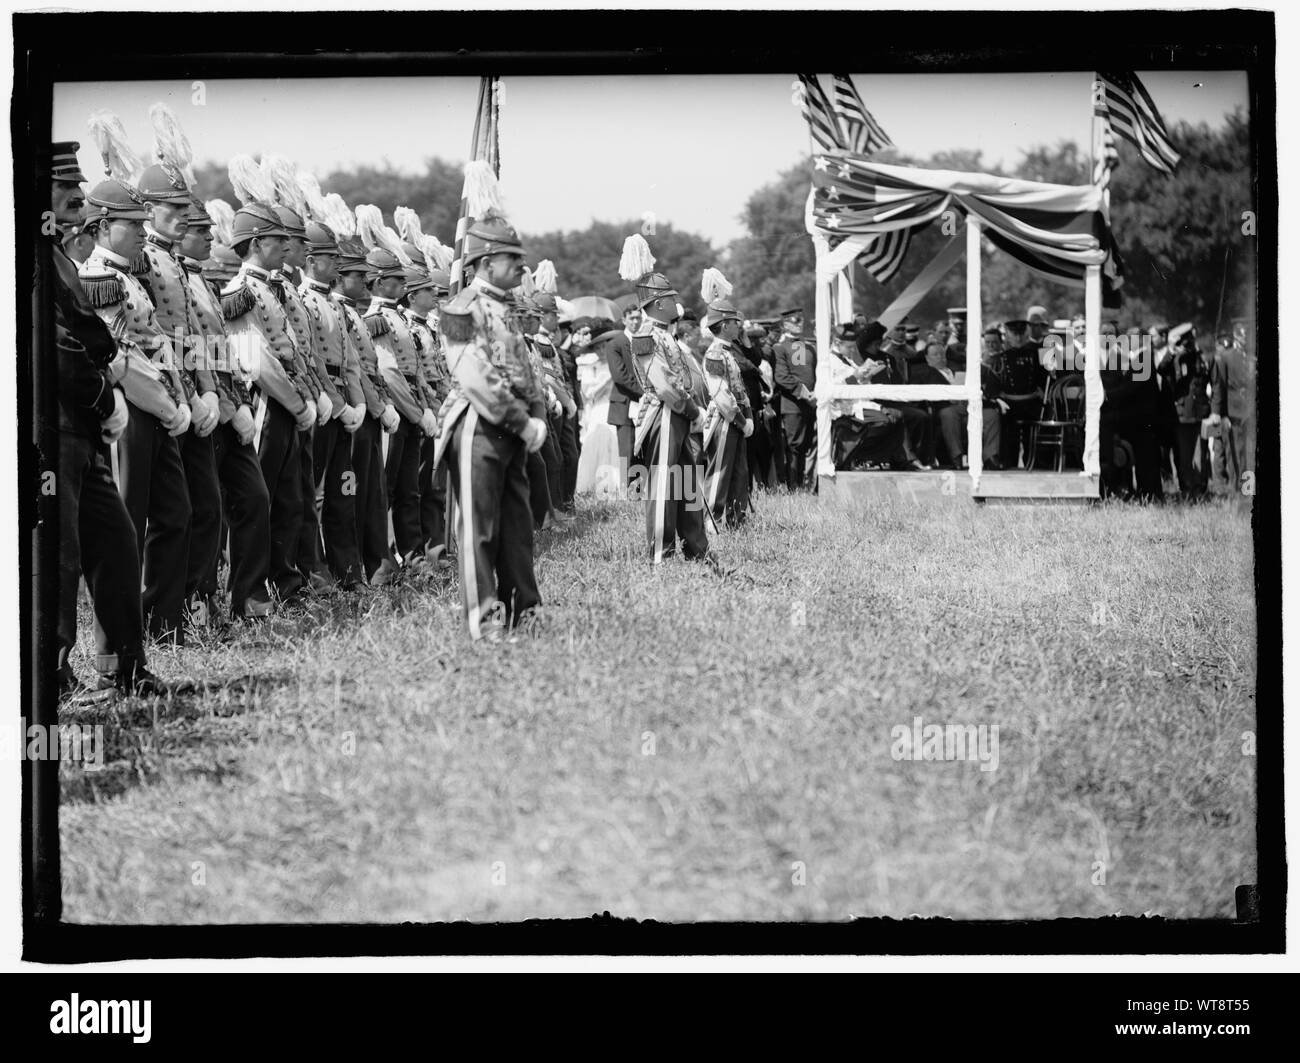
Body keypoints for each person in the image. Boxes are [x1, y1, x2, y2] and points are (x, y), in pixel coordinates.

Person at [46, 143, 173, 697]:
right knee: (59, 560)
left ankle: (126, 669)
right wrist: (106, 396)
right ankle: (48, 680)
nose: (77, 196)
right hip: (54, 430)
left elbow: (87, 330)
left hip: (82, 429)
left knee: (117, 543)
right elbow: (54, 344)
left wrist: (105, 387)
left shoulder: (52, 256)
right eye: (63, 188)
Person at [80, 177, 194, 643]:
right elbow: (121, 360)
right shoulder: (100, 280)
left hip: (157, 411)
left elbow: (157, 346)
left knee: (176, 513)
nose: (144, 230)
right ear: (104, 227)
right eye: (132, 223)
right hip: (129, 413)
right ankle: (124, 630)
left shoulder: (128, 277)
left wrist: (177, 400)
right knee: (127, 523)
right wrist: (168, 406)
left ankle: (162, 623)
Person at [433, 209, 548, 640]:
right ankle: (487, 622)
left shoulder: (508, 309)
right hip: (479, 427)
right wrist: (524, 421)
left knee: (517, 529)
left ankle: (526, 614)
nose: (522, 266)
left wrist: (536, 414)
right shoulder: (459, 309)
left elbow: (524, 370)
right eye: (511, 257)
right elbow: (475, 377)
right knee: (480, 532)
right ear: (484, 264)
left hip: (513, 431)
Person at [136, 161, 225, 631]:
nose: (184, 215)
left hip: (192, 393)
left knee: (206, 508)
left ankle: (193, 605)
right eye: (173, 207)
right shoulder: (143, 259)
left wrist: (208, 393)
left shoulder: (176, 262)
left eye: (184, 206)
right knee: (169, 515)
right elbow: (149, 337)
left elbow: (195, 339)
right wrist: (180, 398)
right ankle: (160, 617)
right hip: (163, 397)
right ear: (148, 209)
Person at [180, 197, 275, 618]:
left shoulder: (201, 283)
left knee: (254, 498)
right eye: (198, 230)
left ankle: (249, 595)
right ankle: (200, 599)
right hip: (200, 406)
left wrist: (237, 402)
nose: (208, 237)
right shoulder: (175, 281)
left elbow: (227, 354)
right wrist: (213, 398)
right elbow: (187, 350)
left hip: (228, 405)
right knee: (205, 511)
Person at [221, 199, 318, 606]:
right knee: (257, 502)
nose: (287, 246)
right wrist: (296, 404)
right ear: (258, 242)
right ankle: (250, 594)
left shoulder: (269, 287)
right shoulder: (241, 292)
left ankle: (284, 584)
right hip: (265, 402)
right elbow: (256, 360)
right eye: (279, 238)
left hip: (284, 404)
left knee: (289, 499)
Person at [620, 236, 710, 563]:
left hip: (678, 414)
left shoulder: (662, 334)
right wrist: (691, 408)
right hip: (665, 414)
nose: (676, 302)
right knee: (663, 486)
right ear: (658, 303)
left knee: (686, 482)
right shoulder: (646, 337)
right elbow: (665, 385)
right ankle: (661, 552)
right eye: (671, 298)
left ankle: (696, 548)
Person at [272, 204, 340, 593]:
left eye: (293, 240)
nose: (290, 247)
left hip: (307, 397)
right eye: (287, 240)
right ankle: (281, 579)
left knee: (301, 495)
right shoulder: (271, 290)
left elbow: (307, 352)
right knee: (280, 498)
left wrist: (317, 395)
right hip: (278, 400)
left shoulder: (289, 291)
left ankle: (304, 573)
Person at [298, 218, 366, 587]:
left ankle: (347, 569)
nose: (337, 264)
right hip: (323, 404)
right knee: (312, 493)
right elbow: (312, 358)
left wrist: (357, 404)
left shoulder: (334, 305)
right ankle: (315, 569)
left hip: (344, 409)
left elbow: (351, 361)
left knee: (345, 488)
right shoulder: (304, 301)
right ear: (310, 259)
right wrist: (338, 404)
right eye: (330, 257)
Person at [332, 239, 401, 584]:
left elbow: (368, 369)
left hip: (368, 413)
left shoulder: (353, 314)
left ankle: (378, 566)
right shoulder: (339, 312)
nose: (365, 280)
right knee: (351, 494)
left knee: (372, 494)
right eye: (358, 275)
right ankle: (355, 568)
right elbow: (354, 369)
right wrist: (373, 405)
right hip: (354, 413)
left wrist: (381, 405)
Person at [366, 247, 437, 568]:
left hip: (411, 409)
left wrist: (426, 407)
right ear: (380, 283)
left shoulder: (397, 317)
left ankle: (413, 555)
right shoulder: (377, 319)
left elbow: (416, 372)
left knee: (411, 490)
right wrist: (417, 412)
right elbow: (390, 373)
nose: (401, 285)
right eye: (395, 280)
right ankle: (389, 554)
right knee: (388, 489)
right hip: (395, 410)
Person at [404, 265, 454, 560]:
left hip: (438, 406)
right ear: (412, 296)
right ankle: (412, 552)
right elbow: (417, 375)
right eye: (427, 289)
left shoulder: (427, 327)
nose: (435, 294)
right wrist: (430, 408)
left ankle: (436, 548)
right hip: (424, 409)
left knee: (433, 486)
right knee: (415, 487)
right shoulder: (410, 328)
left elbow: (440, 372)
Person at [700, 297, 754, 527]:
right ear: (723, 325)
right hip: (724, 420)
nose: (738, 325)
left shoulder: (728, 352)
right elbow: (721, 394)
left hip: (736, 419)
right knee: (720, 473)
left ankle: (736, 521)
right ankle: (712, 523)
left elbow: (740, 389)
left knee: (739, 473)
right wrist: (742, 421)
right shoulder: (714, 354)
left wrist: (748, 415)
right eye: (734, 321)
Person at [826, 322, 910, 469]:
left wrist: (867, 374)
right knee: (884, 421)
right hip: (844, 408)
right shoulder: (828, 362)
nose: (852, 351)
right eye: (849, 347)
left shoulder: (849, 360)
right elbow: (834, 387)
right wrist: (856, 376)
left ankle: (882, 459)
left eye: (853, 347)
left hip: (862, 403)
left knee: (897, 418)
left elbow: (858, 383)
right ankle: (862, 456)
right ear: (837, 343)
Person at [573, 318, 625, 498]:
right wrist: (607, 379)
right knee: (597, 444)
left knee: (615, 446)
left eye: (605, 346)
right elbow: (589, 393)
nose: (602, 351)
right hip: (598, 409)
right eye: (598, 348)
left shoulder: (617, 364)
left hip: (614, 407)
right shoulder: (590, 367)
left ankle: (615, 485)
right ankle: (594, 485)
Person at [1209, 318, 1256, 493]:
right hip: (1233, 412)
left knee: (1250, 454)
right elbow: (1219, 388)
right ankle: (1238, 492)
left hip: (1250, 412)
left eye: (1248, 334)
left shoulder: (1252, 357)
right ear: (1236, 336)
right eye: (1243, 335)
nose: (1247, 338)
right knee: (1235, 454)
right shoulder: (1225, 358)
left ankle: (1248, 490)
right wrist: (1220, 414)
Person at [605, 294, 646, 491]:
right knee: (627, 451)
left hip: (644, 403)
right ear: (624, 320)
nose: (636, 322)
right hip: (625, 403)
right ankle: (625, 491)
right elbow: (620, 376)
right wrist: (644, 392)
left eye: (639, 317)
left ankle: (638, 490)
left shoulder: (645, 341)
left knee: (642, 449)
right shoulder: (616, 343)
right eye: (632, 318)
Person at [773, 306, 816, 489]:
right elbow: (782, 377)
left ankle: (802, 483)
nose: (800, 323)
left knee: (806, 445)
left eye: (801, 320)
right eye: (795, 321)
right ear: (785, 325)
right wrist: (805, 394)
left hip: (811, 403)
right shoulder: (780, 348)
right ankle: (793, 486)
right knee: (794, 445)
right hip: (793, 404)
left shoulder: (810, 347)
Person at [996, 318, 1047, 468]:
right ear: (1008, 336)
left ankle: (1034, 466)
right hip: (1010, 404)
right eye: (1014, 334)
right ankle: (1009, 467)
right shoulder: (1001, 357)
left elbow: (1045, 378)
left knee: (1032, 441)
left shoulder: (1038, 353)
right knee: (1009, 441)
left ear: (1026, 334)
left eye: (1021, 334)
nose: (1018, 338)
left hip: (1031, 404)